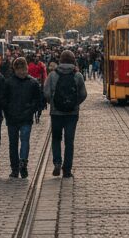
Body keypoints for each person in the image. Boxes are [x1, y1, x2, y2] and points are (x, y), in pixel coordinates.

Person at [44, 49, 87, 178]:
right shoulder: (77, 75)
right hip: (72, 114)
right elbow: (84, 94)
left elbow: (46, 93)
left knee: (56, 139)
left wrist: (52, 103)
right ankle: (67, 170)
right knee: (69, 141)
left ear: (60, 60)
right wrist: (75, 103)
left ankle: (57, 162)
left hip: (56, 113)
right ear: (73, 60)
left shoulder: (52, 75)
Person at [3, 57, 45, 178]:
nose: (22, 72)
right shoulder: (9, 82)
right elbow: (3, 100)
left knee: (23, 141)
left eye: (24, 69)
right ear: (15, 69)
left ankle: (22, 163)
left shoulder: (32, 83)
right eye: (20, 70)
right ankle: (16, 167)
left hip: (24, 117)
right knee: (14, 143)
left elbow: (38, 100)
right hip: (14, 117)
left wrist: (31, 109)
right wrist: (8, 110)